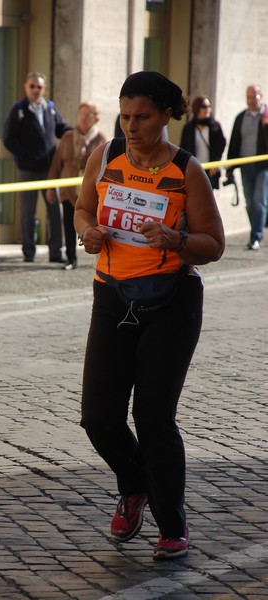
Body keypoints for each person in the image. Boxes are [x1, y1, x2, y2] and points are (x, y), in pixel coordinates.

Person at [74, 71, 224, 560]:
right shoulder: (107, 155)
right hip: (112, 296)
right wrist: (88, 232)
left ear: (165, 116)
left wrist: (176, 239)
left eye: (142, 117)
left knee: (154, 418)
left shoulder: (187, 171)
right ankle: (134, 484)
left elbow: (214, 245)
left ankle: (172, 521)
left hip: (171, 304)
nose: (131, 126)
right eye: (124, 116)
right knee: (98, 418)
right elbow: (82, 209)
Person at [3, 72, 72, 263]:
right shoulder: (19, 109)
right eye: (32, 86)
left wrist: (74, 132)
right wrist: (25, 155)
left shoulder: (50, 107)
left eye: (39, 87)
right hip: (27, 169)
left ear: (44, 88)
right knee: (27, 211)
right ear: (26, 87)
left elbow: (61, 128)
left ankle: (56, 253)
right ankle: (28, 252)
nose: (36, 90)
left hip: (50, 170)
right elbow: (8, 139)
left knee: (54, 212)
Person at [46, 102, 107, 270]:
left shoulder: (101, 139)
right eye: (82, 113)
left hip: (90, 191)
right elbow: (57, 163)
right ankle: (71, 258)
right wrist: (51, 188)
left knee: (92, 224)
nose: (85, 117)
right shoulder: (67, 137)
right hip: (68, 190)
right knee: (68, 222)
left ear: (95, 118)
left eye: (89, 114)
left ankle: (96, 257)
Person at [226, 84, 268, 250]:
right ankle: (257, 228)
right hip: (245, 165)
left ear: (260, 96)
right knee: (250, 202)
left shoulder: (266, 116)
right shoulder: (240, 117)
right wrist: (230, 166)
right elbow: (234, 142)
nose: (251, 100)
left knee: (259, 201)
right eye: (248, 97)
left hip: (263, 165)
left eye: (254, 97)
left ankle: (255, 237)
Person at [180, 95, 226, 189]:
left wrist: (216, 163)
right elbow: (183, 147)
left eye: (209, 106)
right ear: (197, 109)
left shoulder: (215, 126)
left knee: (208, 198)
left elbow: (221, 145)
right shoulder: (189, 128)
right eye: (204, 107)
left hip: (210, 170)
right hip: (193, 169)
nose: (207, 109)